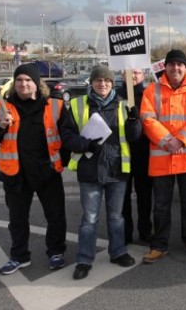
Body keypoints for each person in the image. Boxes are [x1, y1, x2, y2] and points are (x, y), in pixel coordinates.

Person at [0, 64, 68, 275]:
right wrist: (0, 126)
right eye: (19, 80)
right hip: (15, 174)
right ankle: (19, 256)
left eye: (28, 80)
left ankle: (55, 252)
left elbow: (67, 135)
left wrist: (59, 163)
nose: (23, 84)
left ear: (37, 83)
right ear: (14, 83)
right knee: (17, 219)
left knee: (55, 216)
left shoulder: (55, 106)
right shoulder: (1, 108)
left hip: (47, 172)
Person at [61, 65, 142, 280]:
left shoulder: (125, 105)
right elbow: (67, 135)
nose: (103, 84)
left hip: (117, 169)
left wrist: (135, 121)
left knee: (116, 217)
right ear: (92, 82)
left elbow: (134, 137)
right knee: (89, 218)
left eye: (106, 80)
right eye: (98, 80)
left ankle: (118, 252)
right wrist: (84, 144)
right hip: (90, 170)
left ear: (112, 82)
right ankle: (84, 259)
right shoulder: (78, 104)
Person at [140, 49, 186, 263]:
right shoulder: (152, 90)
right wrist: (168, 141)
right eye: (172, 64)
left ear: (185, 68)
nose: (176, 68)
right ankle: (159, 245)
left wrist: (181, 140)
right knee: (161, 205)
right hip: (163, 157)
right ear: (165, 67)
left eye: (180, 64)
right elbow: (147, 119)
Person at [119, 68, 152, 244]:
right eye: (128, 72)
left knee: (144, 196)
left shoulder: (149, 95)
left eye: (137, 73)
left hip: (143, 153)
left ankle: (145, 230)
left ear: (143, 75)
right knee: (123, 197)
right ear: (122, 74)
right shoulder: (115, 95)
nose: (133, 76)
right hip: (121, 154)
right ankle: (125, 233)